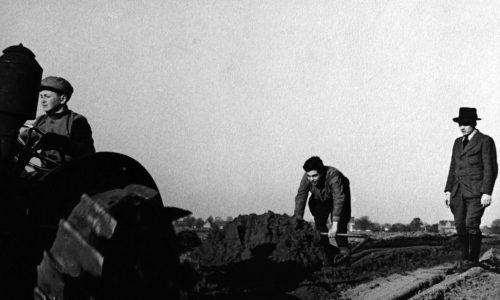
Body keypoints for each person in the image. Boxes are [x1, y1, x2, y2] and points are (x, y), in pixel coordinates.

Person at [445, 107, 498, 269]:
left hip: (476, 192)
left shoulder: (485, 141)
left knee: (471, 224)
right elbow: (453, 167)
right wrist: (448, 190)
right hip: (457, 192)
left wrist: (487, 191)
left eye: (466, 124)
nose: (462, 127)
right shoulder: (457, 143)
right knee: (460, 226)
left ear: (474, 123)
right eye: (460, 124)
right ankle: (465, 259)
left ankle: (473, 262)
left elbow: (491, 168)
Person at [23, 76, 95, 168]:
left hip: (68, 172)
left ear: (62, 99)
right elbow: (26, 139)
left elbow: (87, 152)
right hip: (45, 171)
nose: (43, 101)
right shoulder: (41, 120)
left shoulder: (77, 121)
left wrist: (62, 142)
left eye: (47, 96)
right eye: (41, 96)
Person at [294, 156, 351, 254]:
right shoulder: (306, 178)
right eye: (309, 176)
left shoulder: (333, 176)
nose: (311, 179)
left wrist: (335, 225)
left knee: (340, 227)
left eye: (315, 176)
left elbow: (338, 198)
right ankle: (324, 250)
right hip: (321, 198)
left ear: (321, 172)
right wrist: (297, 219)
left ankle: (344, 251)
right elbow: (301, 196)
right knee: (319, 225)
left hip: (339, 197)